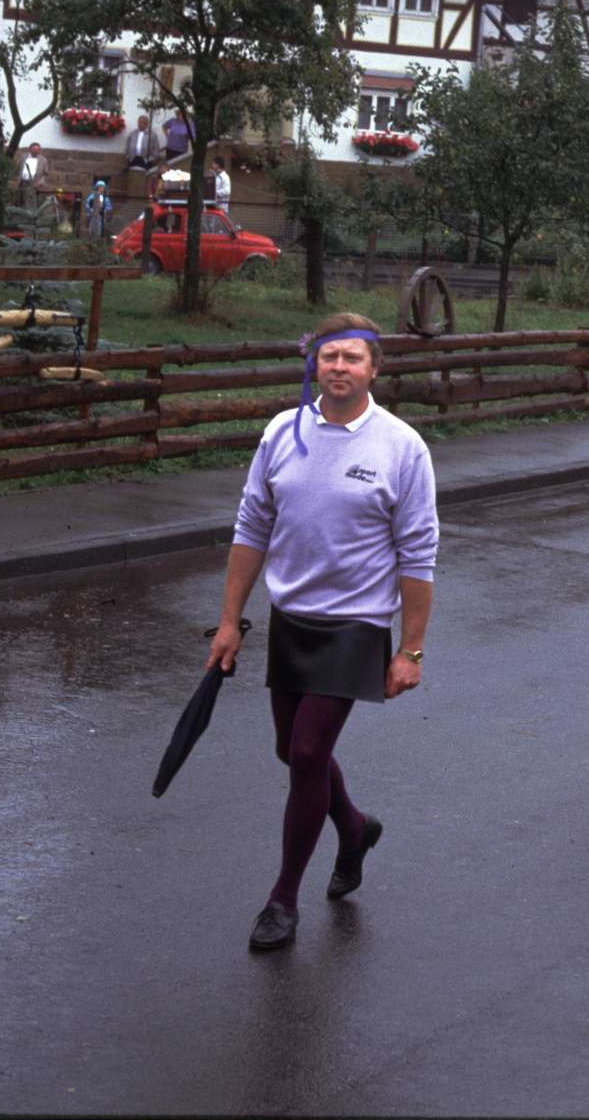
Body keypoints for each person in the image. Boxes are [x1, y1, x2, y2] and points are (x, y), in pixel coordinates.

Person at [208, 312, 436, 951]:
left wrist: (410, 649)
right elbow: (252, 527)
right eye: (329, 356)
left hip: (356, 625)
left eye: (352, 357)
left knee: (308, 753)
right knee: (292, 750)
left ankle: (283, 899)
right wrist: (228, 622)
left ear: (374, 369)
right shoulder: (283, 432)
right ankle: (354, 827)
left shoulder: (401, 447)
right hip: (293, 618)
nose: (339, 367)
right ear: (314, 363)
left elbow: (418, 554)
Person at [16, 142, 50, 208]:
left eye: (37, 150)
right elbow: (17, 168)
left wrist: (40, 182)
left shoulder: (43, 160)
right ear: (30, 149)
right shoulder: (23, 157)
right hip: (22, 182)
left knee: (30, 203)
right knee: (19, 201)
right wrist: (17, 179)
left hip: (33, 184)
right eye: (34, 149)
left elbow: (46, 174)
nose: (35, 151)